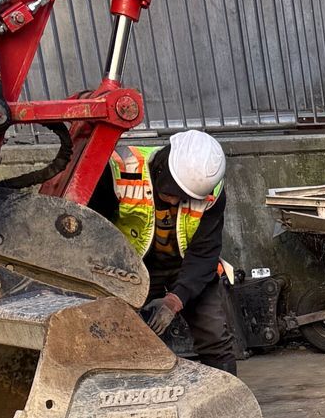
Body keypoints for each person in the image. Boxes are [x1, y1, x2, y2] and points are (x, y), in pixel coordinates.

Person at [90, 127, 237, 375]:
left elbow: (204, 252)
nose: (175, 202)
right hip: (133, 267)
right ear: (161, 168)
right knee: (129, 340)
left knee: (215, 337)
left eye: (183, 198)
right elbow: (93, 230)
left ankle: (230, 401)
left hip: (187, 266)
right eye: (171, 194)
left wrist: (174, 300)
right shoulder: (121, 170)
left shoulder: (212, 191)